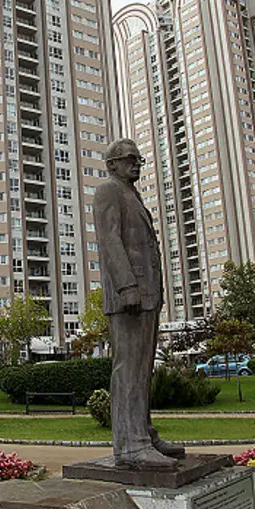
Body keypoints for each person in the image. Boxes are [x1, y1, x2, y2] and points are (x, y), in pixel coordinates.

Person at [93, 138, 185, 469]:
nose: (136, 163)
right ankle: (130, 445)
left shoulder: (133, 195)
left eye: (138, 158)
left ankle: (144, 432)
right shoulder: (108, 191)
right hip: (128, 296)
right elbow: (110, 241)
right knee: (128, 367)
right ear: (112, 164)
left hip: (147, 295)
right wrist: (127, 287)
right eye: (129, 158)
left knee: (144, 368)